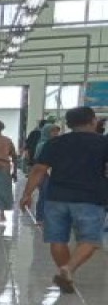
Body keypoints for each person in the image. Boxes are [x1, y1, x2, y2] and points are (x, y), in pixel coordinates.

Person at [20, 107, 108, 293]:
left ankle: (67, 275)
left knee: (57, 240)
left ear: (68, 124)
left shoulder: (55, 143)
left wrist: (27, 194)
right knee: (90, 240)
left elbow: (39, 170)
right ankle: (68, 269)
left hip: (56, 198)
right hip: (90, 198)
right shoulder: (103, 142)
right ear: (93, 121)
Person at [32, 123, 62, 224]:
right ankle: (40, 217)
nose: (56, 133)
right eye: (53, 131)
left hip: (55, 173)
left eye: (57, 131)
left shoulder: (58, 144)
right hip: (44, 173)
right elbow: (38, 161)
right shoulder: (42, 144)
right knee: (44, 194)